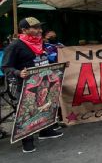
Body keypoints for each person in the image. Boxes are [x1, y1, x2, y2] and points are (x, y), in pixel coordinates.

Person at [1, 17, 63, 153]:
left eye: (40, 27)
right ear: (24, 30)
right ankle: (27, 141)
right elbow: (5, 67)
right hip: (25, 85)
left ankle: (45, 131)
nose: (40, 30)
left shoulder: (41, 43)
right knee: (26, 110)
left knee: (45, 105)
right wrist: (18, 72)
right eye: (35, 28)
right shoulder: (15, 46)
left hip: (44, 82)